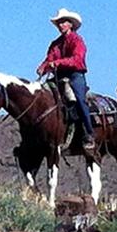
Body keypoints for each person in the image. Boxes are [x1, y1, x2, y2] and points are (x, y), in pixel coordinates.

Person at [37, 8, 95, 150]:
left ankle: (89, 132)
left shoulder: (77, 40)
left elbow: (77, 59)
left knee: (79, 99)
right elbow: (49, 59)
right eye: (59, 22)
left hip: (75, 74)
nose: (60, 25)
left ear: (70, 24)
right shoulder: (55, 44)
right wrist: (42, 67)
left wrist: (57, 63)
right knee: (43, 96)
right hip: (59, 76)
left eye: (63, 22)